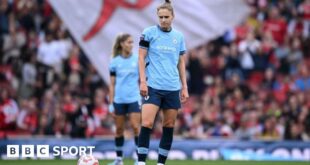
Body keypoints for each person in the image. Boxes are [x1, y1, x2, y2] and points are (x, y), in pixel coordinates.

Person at [137, 0, 189, 165]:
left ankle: (161, 163)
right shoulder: (148, 33)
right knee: (146, 122)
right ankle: (141, 162)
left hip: (172, 87)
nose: (163, 20)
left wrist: (184, 87)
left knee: (168, 125)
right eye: (160, 17)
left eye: (166, 17)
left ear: (173, 17)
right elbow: (140, 57)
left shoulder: (179, 37)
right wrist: (143, 82)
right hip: (152, 86)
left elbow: (181, 62)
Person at [108, 33, 141, 165]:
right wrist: (111, 103)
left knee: (135, 127)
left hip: (133, 98)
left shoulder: (137, 60)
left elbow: (143, 78)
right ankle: (119, 159)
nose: (131, 45)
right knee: (119, 130)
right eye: (129, 42)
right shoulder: (114, 62)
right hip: (119, 100)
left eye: (132, 42)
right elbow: (112, 84)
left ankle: (140, 159)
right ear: (122, 44)